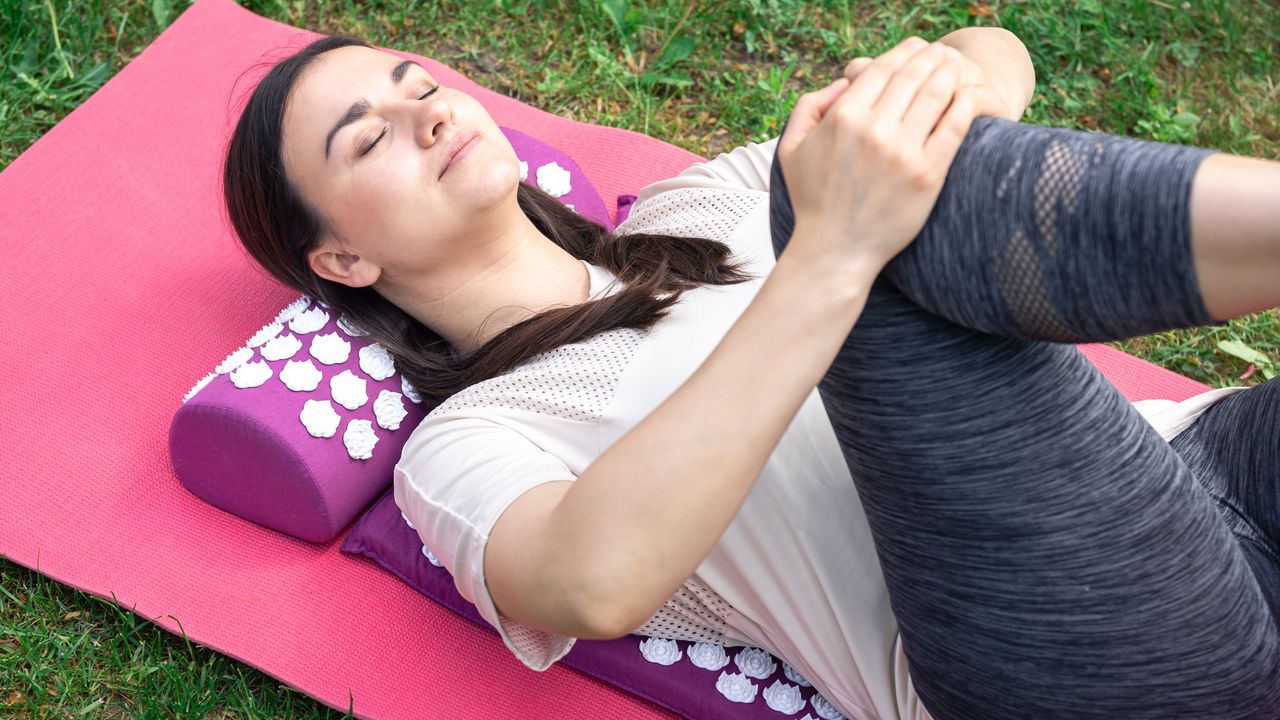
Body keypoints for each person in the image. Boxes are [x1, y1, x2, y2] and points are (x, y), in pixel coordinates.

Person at [222, 25, 1280, 719]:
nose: (433, 112)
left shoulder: (701, 203)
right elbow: (591, 581)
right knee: (857, 213)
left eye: (419, 86)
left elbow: (986, 49)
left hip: (1190, 462)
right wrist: (828, 249)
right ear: (343, 261)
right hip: (1075, 655)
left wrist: (946, 93)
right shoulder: (469, 443)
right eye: (371, 139)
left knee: (865, 180)